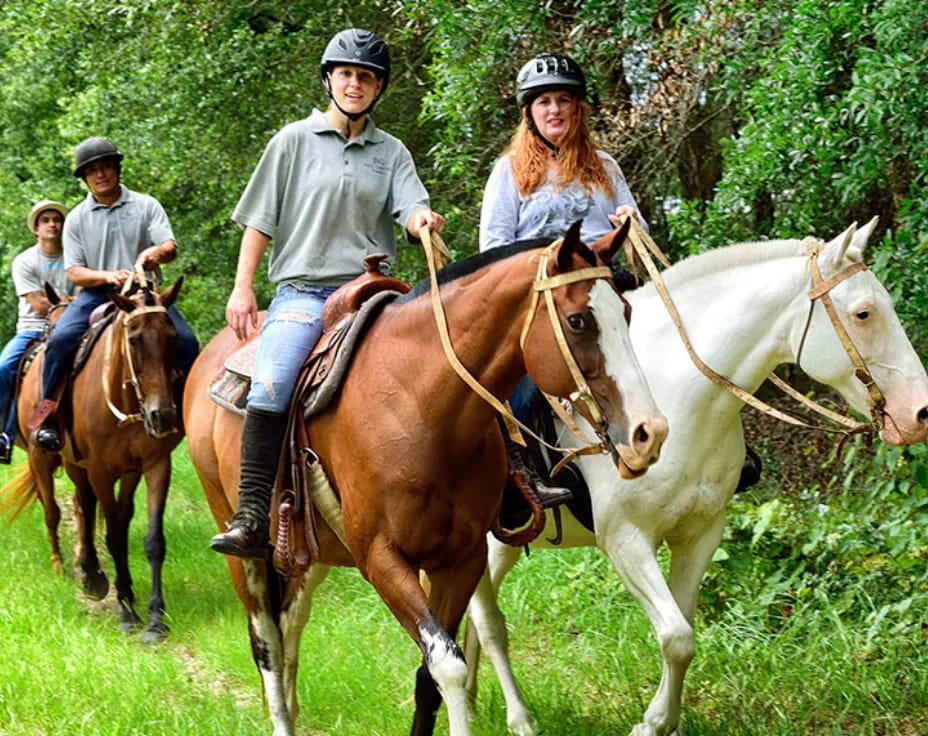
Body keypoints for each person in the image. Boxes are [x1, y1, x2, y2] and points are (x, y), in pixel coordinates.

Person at [210, 28, 446, 559]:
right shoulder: (292, 141)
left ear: (379, 86)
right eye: (346, 74)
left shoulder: (392, 152)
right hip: (304, 293)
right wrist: (242, 287)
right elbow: (258, 222)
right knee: (270, 388)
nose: (355, 84)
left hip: (372, 291)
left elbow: (409, 206)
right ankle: (250, 515)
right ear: (329, 79)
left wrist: (420, 218)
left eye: (366, 76)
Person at [479, 53, 648, 506]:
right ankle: (523, 471)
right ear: (530, 114)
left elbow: (635, 233)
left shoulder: (606, 168)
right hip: (544, 294)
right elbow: (493, 249)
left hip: (602, 281)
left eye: (564, 101)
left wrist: (632, 220)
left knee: (677, 331)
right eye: (544, 102)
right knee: (523, 380)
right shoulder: (510, 171)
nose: (554, 110)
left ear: (578, 109)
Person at [28, 136, 200, 451]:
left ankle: (190, 412)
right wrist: (108, 275)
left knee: (187, 342)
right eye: (92, 170)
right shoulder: (77, 218)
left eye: (106, 166)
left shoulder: (146, 205)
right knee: (61, 340)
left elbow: (169, 246)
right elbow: (75, 271)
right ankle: (50, 415)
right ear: (84, 178)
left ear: (117, 169)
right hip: (97, 294)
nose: (101, 174)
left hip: (145, 292)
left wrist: (154, 255)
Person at [0, 200, 77, 463]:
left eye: (57, 220)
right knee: (3, 367)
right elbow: (39, 305)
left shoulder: (76, 258)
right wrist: (68, 301)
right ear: (36, 228)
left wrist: (65, 303)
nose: (52, 225)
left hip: (73, 327)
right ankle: (5, 434)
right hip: (33, 330)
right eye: (46, 221)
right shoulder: (25, 261)